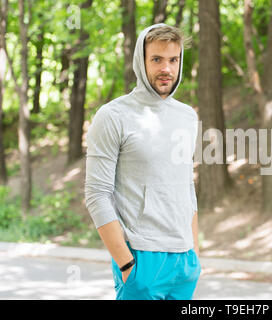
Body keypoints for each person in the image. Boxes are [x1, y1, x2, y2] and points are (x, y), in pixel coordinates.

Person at [84, 23, 201, 300]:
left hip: (184, 264)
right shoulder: (113, 116)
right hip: (141, 259)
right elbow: (97, 194)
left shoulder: (187, 116)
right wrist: (126, 264)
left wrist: (194, 254)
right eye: (157, 59)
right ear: (141, 61)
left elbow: (187, 187)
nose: (166, 69)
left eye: (173, 59)